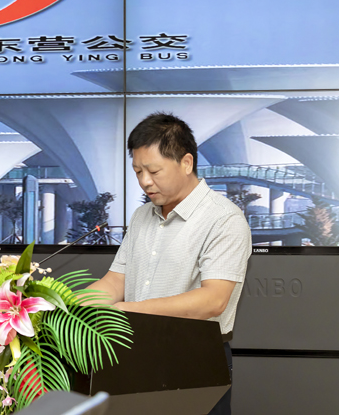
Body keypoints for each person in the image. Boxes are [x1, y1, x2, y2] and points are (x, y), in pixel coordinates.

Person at [86, 112, 251, 415]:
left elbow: (214, 300)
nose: (144, 182)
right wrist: (62, 308)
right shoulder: (141, 216)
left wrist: (126, 312)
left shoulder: (224, 218)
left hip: (193, 362)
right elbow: (116, 281)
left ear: (186, 163)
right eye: (138, 171)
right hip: (133, 356)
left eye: (153, 171)